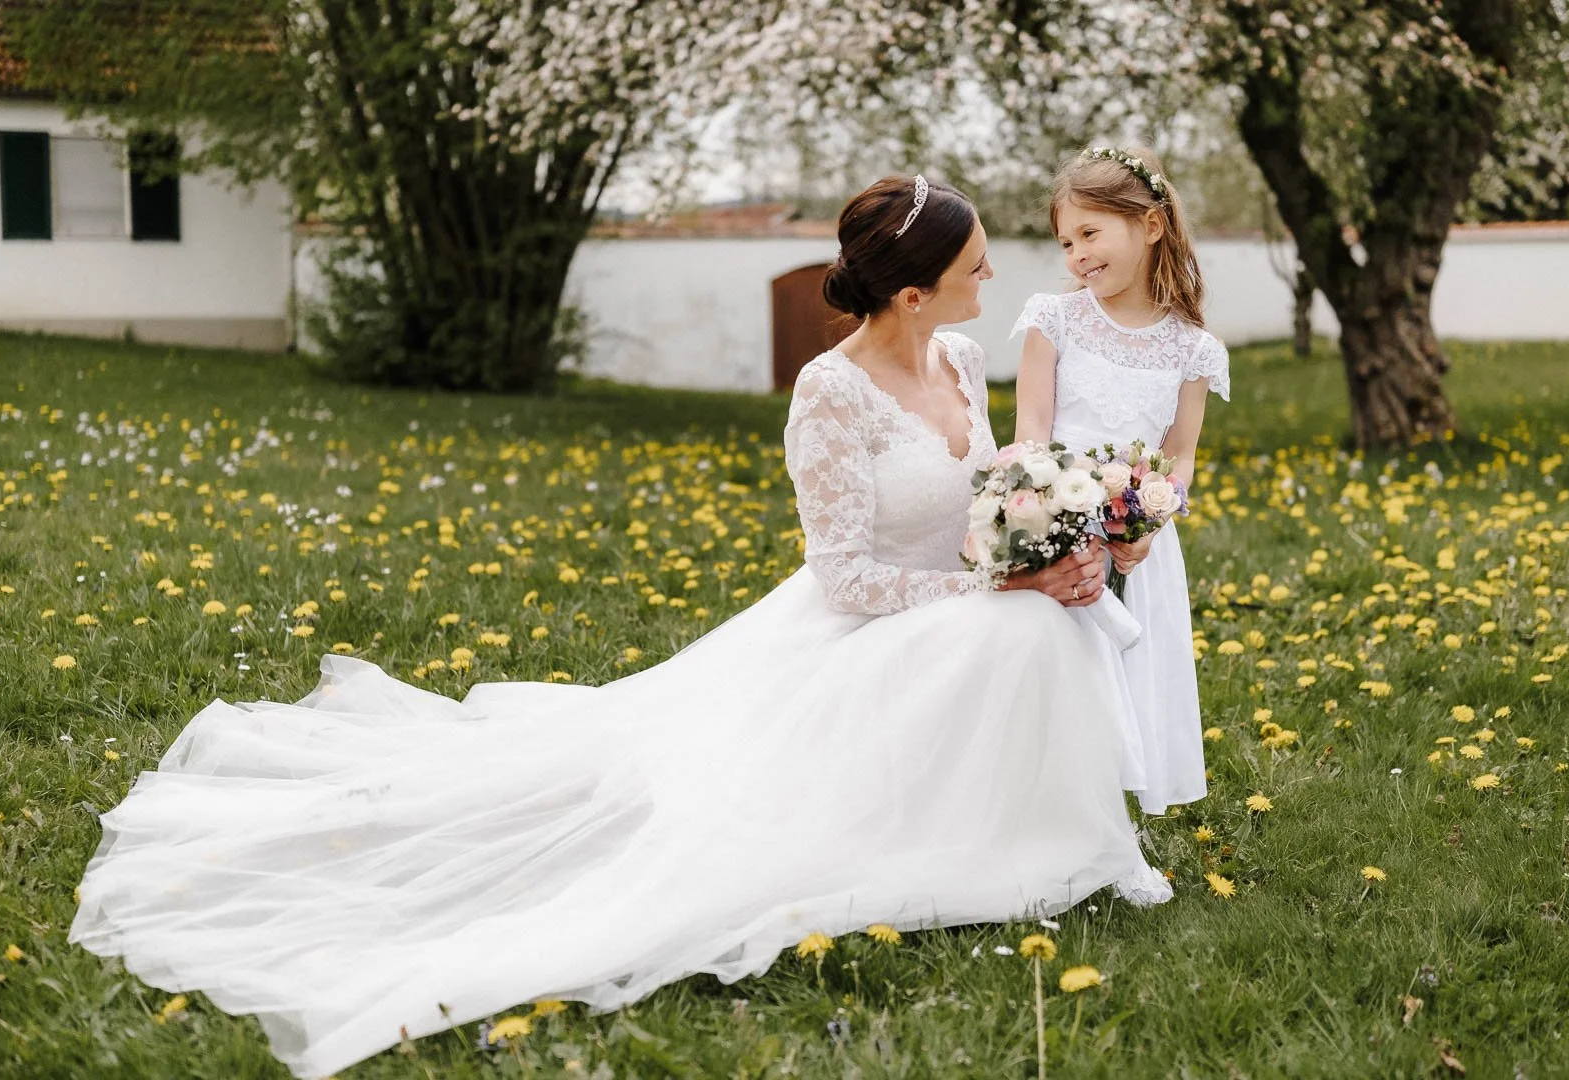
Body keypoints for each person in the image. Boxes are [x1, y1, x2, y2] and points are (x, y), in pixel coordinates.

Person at [70, 174, 1170, 1080]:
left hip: (955, 606)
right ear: (917, 291)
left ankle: (1040, 834)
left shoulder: (961, 359)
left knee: (1041, 626)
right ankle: (1002, 844)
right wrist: (1000, 594)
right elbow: (841, 577)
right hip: (857, 625)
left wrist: (1046, 550)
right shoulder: (829, 394)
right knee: (1021, 631)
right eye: (976, 264)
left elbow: (976, 510)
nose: (993, 276)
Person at [1012, 146, 1230, 815]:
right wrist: (1044, 517)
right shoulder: (1055, 320)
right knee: (1059, 677)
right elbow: (1031, 429)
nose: (1077, 254)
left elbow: (1180, 456)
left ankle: (1111, 819)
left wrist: (1149, 525)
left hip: (1136, 544)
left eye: (1090, 233)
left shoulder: (1191, 348)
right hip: (1058, 534)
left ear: (1151, 226)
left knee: (1127, 680)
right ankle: (1047, 809)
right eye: (1066, 242)